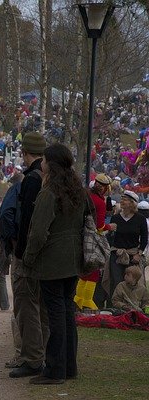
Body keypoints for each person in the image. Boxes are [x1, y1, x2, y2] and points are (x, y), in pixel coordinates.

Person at [23, 143, 85, 385]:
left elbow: (38, 233)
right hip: (72, 260)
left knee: (57, 315)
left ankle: (55, 369)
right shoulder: (77, 191)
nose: (43, 164)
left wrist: (28, 258)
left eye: (45, 160)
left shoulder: (49, 193)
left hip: (52, 262)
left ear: (52, 164)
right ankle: (69, 366)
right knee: (67, 313)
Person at [8, 132, 49, 378]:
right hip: (47, 254)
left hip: (30, 253)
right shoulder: (49, 177)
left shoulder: (32, 179)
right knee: (42, 307)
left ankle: (32, 358)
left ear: (26, 153)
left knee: (26, 306)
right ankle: (41, 354)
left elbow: (27, 222)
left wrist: (21, 251)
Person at [77, 174, 116, 310]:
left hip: (80, 236)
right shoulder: (99, 202)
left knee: (83, 273)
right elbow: (99, 226)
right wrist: (110, 226)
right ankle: (87, 300)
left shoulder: (87, 195)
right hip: (92, 240)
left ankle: (78, 299)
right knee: (93, 273)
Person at [108, 190, 148, 307]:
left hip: (133, 255)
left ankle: (133, 306)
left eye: (125, 199)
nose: (122, 201)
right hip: (117, 254)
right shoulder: (115, 218)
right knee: (116, 281)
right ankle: (115, 306)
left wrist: (139, 254)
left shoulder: (140, 219)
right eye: (122, 198)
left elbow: (144, 238)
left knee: (133, 282)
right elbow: (110, 237)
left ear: (132, 203)